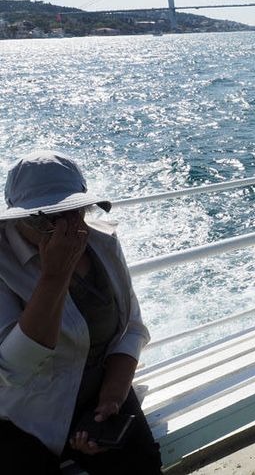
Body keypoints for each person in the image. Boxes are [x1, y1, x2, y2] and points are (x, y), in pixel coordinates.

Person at [0, 151, 162, 474]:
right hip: (23, 415)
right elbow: (12, 369)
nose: (67, 228)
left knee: (143, 465)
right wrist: (54, 277)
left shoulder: (102, 242)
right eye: (47, 217)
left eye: (74, 211)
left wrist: (112, 399)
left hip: (100, 391)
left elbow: (131, 328)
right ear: (19, 218)